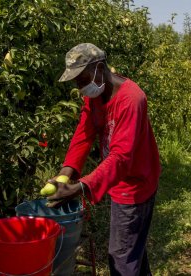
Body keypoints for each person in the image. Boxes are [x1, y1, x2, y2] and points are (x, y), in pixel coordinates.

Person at [46, 43, 161, 276]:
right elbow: (84, 133)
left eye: (82, 79)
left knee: (121, 258)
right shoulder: (96, 95)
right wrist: (65, 172)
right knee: (132, 252)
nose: (80, 87)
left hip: (136, 183)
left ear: (99, 68)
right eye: (76, 82)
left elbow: (121, 157)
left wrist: (80, 187)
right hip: (119, 180)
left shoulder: (131, 99)